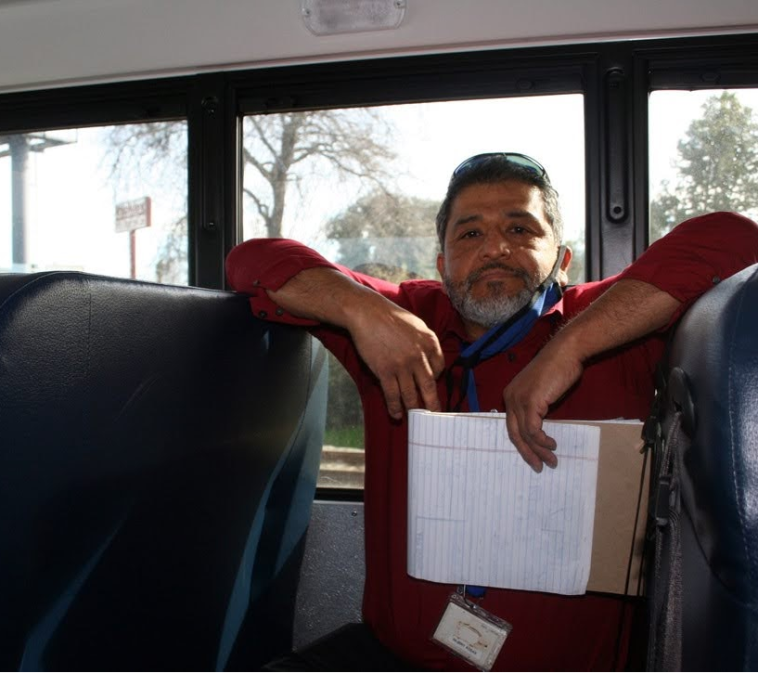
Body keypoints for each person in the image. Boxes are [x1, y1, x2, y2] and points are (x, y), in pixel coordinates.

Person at [226, 152, 758, 672]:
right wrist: (361, 309)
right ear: (442, 264)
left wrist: (568, 350)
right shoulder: (401, 321)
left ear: (562, 258)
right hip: (391, 657)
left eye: (521, 229)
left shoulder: (613, 320)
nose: (496, 248)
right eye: (470, 234)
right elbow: (252, 259)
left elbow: (734, 236)